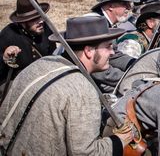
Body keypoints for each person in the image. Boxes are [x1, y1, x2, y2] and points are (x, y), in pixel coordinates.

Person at [0, 16, 132, 155]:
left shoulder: (41, 63)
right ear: (88, 51)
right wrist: (119, 140)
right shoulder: (83, 90)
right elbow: (86, 153)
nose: (112, 52)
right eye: (108, 46)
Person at [0, 0, 55, 93]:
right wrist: (4, 58)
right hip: (17, 85)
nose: (41, 21)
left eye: (41, 16)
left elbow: (53, 56)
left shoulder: (47, 29)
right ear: (23, 22)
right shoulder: (8, 34)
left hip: (44, 80)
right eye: (35, 19)